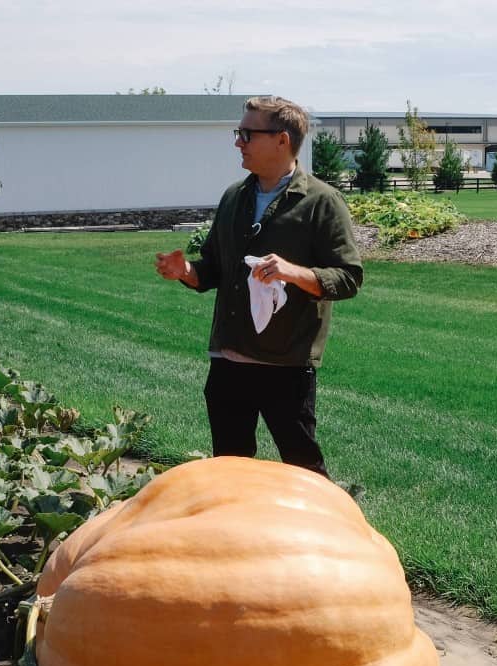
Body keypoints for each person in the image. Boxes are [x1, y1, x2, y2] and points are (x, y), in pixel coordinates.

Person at [155, 95, 363, 478]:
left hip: (286, 364)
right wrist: (184, 270)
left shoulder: (321, 202)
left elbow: (348, 277)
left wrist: (293, 273)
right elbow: (214, 269)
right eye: (240, 133)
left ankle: (325, 534)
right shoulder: (234, 196)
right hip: (229, 360)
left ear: (282, 140)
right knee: (230, 470)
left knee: (304, 469)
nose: (239, 142)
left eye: (247, 134)